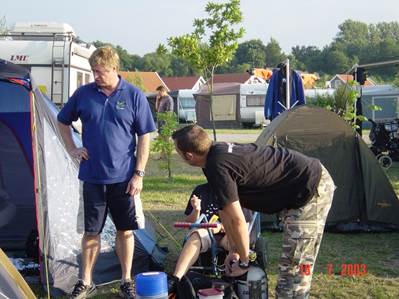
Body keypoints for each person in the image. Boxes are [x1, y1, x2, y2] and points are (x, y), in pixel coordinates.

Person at [172, 124, 335, 299]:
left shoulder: (217, 165)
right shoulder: (213, 159)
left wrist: (244, 260)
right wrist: (234, 250)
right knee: (291, 267)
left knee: (295, 268)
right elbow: (226, 214)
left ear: (189, 155)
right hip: (297, 190)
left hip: (309, 188)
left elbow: (238, 221)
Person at [57, 46, 156, 299]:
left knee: (125, 230)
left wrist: (139, 174)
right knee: (91, 232)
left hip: (125, 179)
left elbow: (145, 136)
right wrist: (72, 148)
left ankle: (126, 280)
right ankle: (86, 281)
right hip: (92, 177)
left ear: (115, 69)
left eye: (100, 72)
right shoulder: (83, 94)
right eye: (93, 71)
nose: (96, 76)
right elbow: (62, 120)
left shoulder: (134, 96)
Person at [168, 184, 252, 292]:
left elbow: (242, 226)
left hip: (228, 233)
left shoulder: (236, 192)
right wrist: (196, 210)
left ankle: (234, 278)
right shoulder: (200, 190)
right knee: (196, 235)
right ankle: (176, 279)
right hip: (206, 231)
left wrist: (221, 227)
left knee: (236, 240)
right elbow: (190, 223)